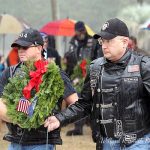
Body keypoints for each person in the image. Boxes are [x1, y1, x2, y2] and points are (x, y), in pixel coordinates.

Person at [44, 18, 150, 150]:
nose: (104, 45)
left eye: (109, 41)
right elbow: (85, 103)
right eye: (102, 41)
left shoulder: (144, 66)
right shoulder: (95, 67)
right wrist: (60, 118)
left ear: (125, 42)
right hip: (106, 142)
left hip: (139, 142)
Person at [0, 28, 78, 150]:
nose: (20, 50)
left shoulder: (54, 74)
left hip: (42, 142)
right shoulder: (9, 73)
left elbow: (77, 104)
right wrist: (17, 119)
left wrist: (60, 118)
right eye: (18, 47)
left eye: (25, 47)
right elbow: (1, 104)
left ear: (39, 48)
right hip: (15, 141)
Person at [64, 21, 103, 136]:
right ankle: (78, 127)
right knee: (78, 99)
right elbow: (70, 58)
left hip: (91, 74)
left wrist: (94, 69)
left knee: (94, 100)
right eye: (78, 31)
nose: (81, 33)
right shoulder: (72, 42)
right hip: (76, 76)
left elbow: (98, 56)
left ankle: (95, 125)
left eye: (82, 30)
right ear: (75, 31)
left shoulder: (93, 41)